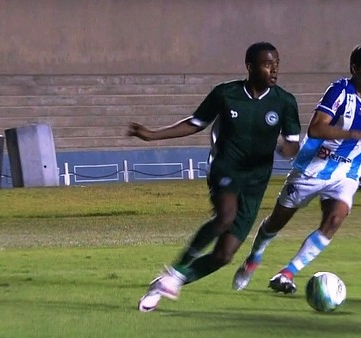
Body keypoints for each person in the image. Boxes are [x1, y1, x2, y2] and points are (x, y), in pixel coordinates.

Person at [128, 42, 302, 312]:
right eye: (268, 64)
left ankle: (165, 284)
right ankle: (174, 271)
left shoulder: (285, 102)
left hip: (256, 183)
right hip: (226, 169)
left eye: (277, 63)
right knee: (224, 217)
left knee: (223, 255)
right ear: (250, 66)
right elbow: (194, 123)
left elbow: (293, 144)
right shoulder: (225, 94)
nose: (275, 69)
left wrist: (285, 148)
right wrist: (151, 134)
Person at [231, 44, 361, 294]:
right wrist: (356, 134)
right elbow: (316, 129)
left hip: (347, 173)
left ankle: (287, 273)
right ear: (354, 69)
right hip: (313, 167)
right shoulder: (339, 91)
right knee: (276, 222)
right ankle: (254, 256)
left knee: (334, 219)